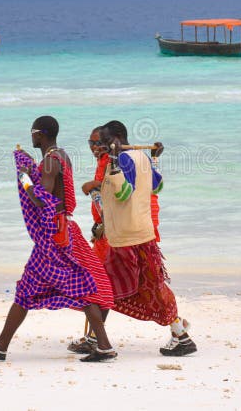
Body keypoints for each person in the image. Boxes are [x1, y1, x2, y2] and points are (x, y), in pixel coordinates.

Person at [0, 116, 117, 363]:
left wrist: (25, 177)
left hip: (53, 238)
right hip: (64, 231)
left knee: (78, 288)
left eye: (33, 132)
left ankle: (1, 346)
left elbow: (42, 198)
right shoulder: (62, 156)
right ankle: (1, 345)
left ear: (41, 134)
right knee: (37, 289)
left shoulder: (50, 161)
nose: (31, 135)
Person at [92, 120, 196, 356]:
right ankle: (179, 332)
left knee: (105, 287)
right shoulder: (143, 157)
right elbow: (156, 186)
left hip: (126, 239)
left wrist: (115, 163)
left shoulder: (122, 160)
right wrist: (156, 158)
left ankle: (100, 344)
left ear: (119, 137)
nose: (106, 147)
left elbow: (123, 193)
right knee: (152, 286)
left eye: (108, 141)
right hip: (142, 235)